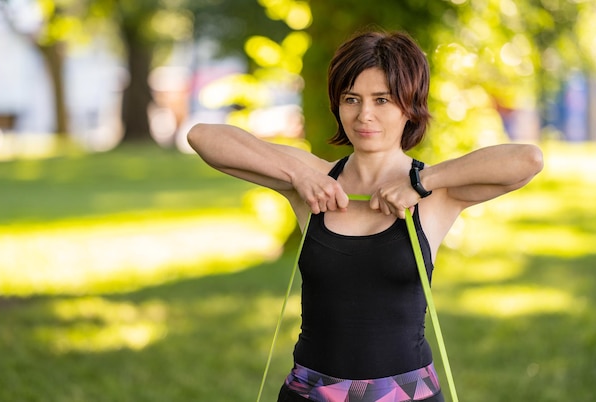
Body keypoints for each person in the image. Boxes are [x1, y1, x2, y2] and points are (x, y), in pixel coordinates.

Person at [187, 30, 543, 402]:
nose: (364, 115)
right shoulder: (313, 181)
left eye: (382, 99)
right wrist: (298, 174)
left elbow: (527, 160)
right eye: (351, 99)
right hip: (310, 393)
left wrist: (421, 182)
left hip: (407, 396)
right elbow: (203, 137)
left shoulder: (437, 195)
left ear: (410, 106)